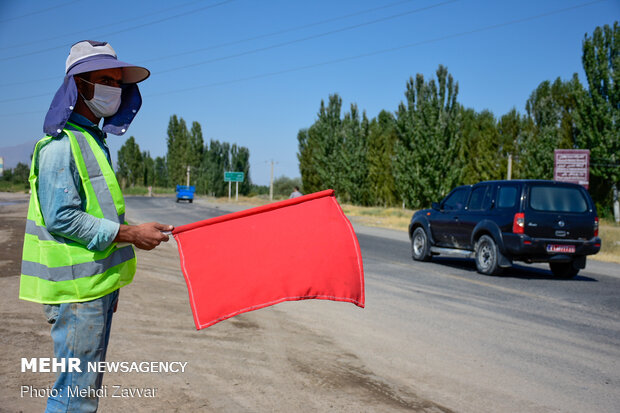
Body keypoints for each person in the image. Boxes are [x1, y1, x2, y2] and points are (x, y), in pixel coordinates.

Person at [19, 40, 173, 413]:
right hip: (75, 293)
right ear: (80, 85)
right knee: (75, 396)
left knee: (80, 392)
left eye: (118, 82)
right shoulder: (59, 145)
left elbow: (97, 215)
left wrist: (110, 289)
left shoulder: (92, 140)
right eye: (105, 79)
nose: (114, 89)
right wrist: (131, 234)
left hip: (93, 288)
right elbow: (61, 217)